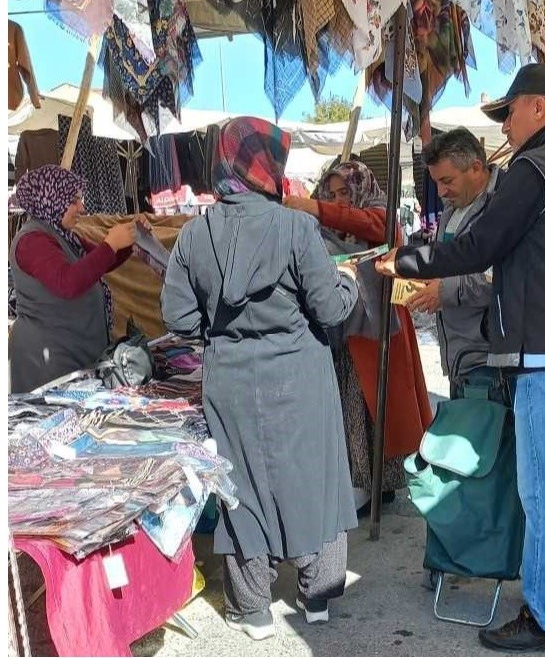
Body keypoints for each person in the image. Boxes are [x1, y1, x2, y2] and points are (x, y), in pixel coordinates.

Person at [376, 63, 545, 652]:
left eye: (510, 114)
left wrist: (408, 261)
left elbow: (482, 246)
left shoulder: (535, 169)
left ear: (537, 108)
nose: (507, 129)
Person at [161, 117, 359, 641]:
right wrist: (350, 283)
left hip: (229, 378)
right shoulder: (296, 227)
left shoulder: (194, 232)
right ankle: (317, 596)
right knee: (312, 479)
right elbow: (330, 308)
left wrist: (219, 333)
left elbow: (179, 319)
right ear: (268, 163)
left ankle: (252, 611)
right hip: (299, 374)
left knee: (240, 486)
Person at [284, 161, 433, 517]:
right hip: (341, 335)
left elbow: (383, 229)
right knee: (351, 414)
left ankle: (383, 485)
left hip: (379, 334)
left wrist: (317, 208)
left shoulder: (378, 217)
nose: (339, 201)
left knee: (379, 411)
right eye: (331, 194)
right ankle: (360, 485)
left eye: (344, 193)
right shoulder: (319, 230)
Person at [9, 165, 139, 393]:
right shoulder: (32, 241)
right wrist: (111, 244)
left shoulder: (65, 236)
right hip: (48, 365)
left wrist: (129, 241)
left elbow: (98, 264)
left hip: (73, 357)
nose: (82, 207)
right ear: (51, 199)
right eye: (74, 200)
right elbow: (67, 283)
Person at [404, 128, 503, 398]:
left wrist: (445, 291)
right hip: (459, 357)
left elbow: (502, 276)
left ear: (475, 167)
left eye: (447, 180)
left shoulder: (504, 205)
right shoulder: (453, 209)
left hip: (490, 360)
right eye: (436, 182)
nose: (441, 191)